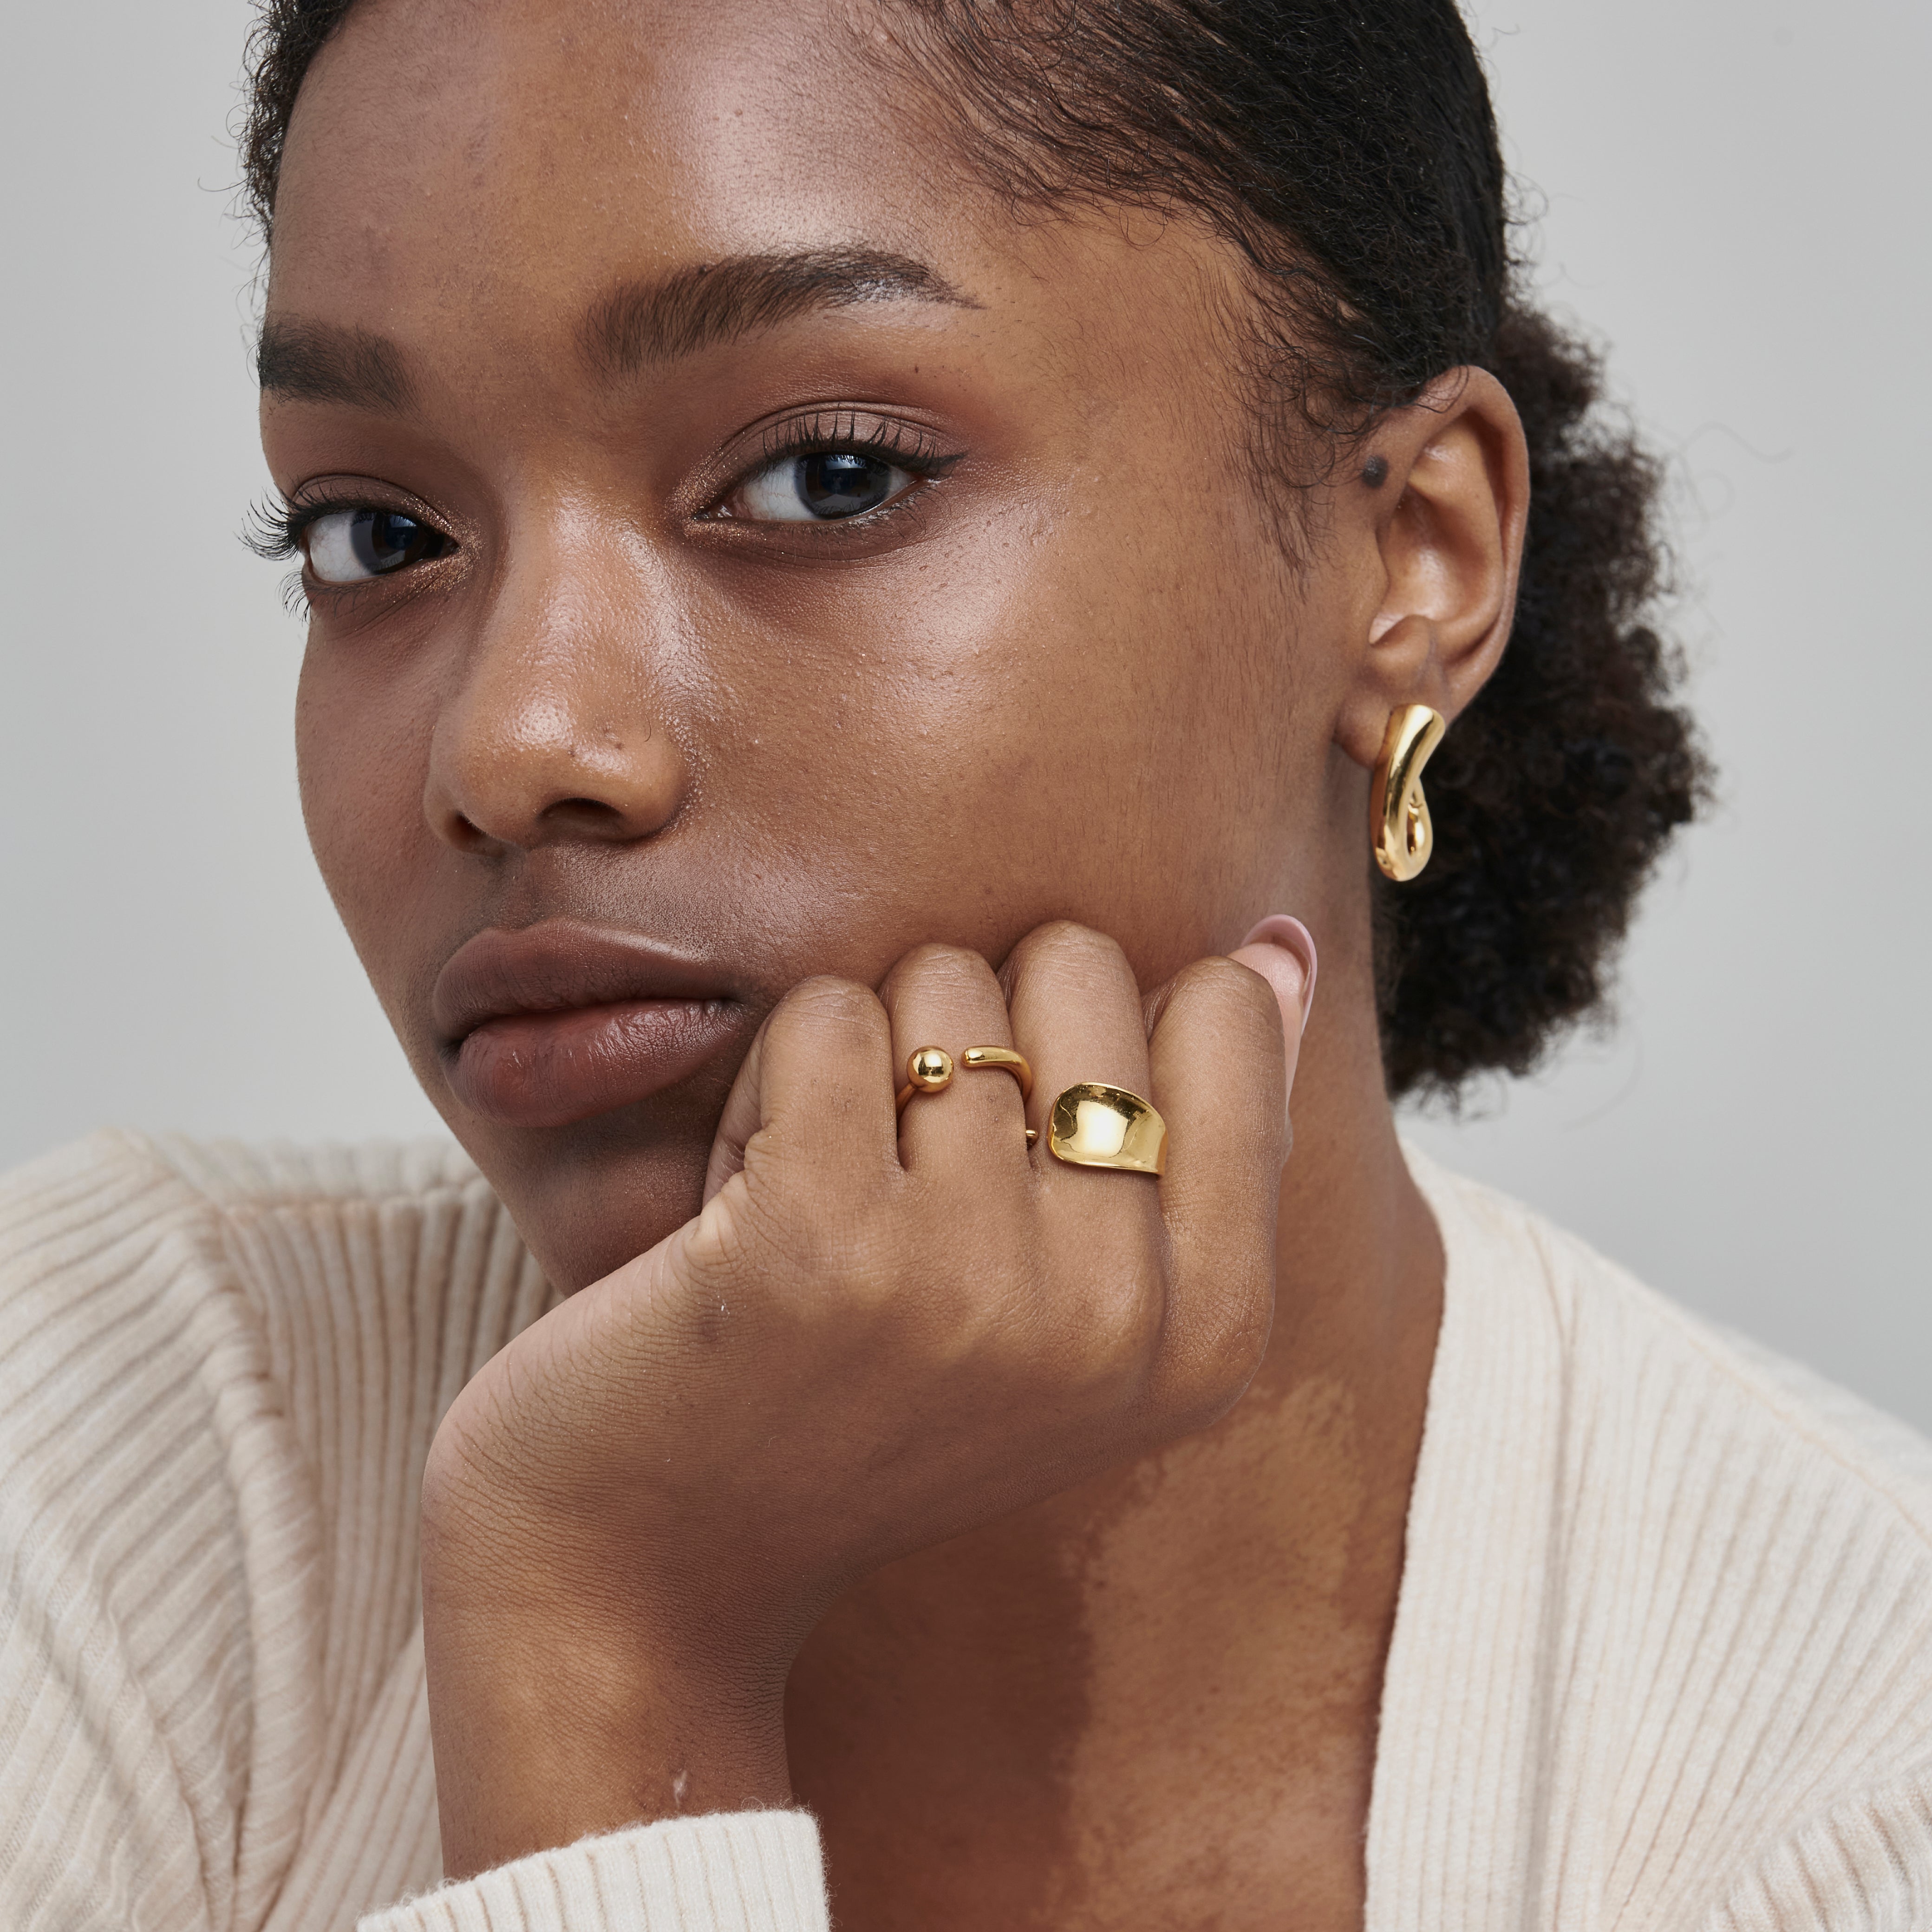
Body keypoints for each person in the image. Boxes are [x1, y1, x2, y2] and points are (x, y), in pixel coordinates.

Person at [5, 1, 1931, 1927]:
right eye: (378, 533)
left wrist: (617, 1655)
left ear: (1415, 557)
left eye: (826, 476)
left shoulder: (1859, 1797)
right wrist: (601, 1633)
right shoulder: (106, 1459)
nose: (509, 745)